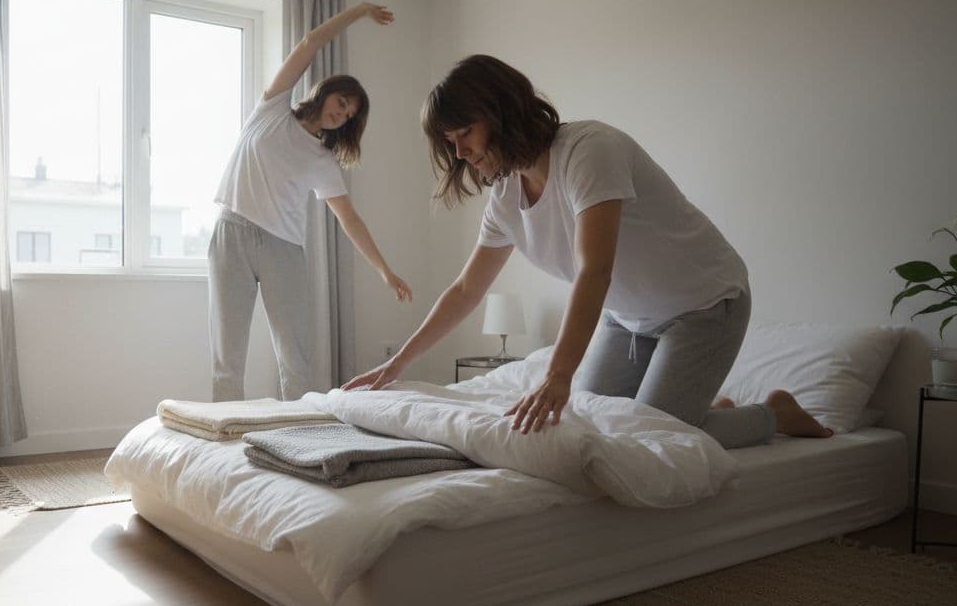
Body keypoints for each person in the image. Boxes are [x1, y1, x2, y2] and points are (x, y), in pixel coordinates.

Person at [344, 54, 831, 446]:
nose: (460, 153)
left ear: (500, 111)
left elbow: (594, 269)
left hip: (703, 304)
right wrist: (398, 364)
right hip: (627, 317)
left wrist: (559, 374)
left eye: (465, 133)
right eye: (449, 143)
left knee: (648, 436)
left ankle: (774, 415)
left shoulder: (589, 150)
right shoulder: (506, 198)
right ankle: (711, 410)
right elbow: (467, 289)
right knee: (589, 425)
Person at [209, 2, 412, 402]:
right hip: (231, 232)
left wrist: (385, 270)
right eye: (342, 102)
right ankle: (223, 435)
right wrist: (359, 12)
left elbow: (349, 218)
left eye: (350, 114)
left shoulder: (323, 160)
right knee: (226, 353)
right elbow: (309, 42)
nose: (342, 114)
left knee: (294, 355)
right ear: (327, 92)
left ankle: (299, 432)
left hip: (283, 249)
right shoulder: (271, 110)